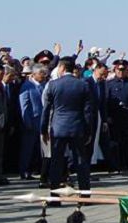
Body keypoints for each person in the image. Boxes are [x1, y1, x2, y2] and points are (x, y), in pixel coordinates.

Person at [41, 57, 95, 197]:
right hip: (77, 127)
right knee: (81, 161)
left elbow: (46, 109)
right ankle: (84, 194)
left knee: (56, 162)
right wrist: (89, 131)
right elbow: (88, 111)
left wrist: (43, 129)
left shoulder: (53, 85)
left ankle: (54, 195)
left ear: (62, 68)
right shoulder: (83, 85)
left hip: (58, 127)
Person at [18, 64, 47, 182]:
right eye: (41, 74)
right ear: (34, 74)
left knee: (39, 149)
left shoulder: (45, 86)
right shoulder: (27, 86)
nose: (43, 76)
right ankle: (24, 171)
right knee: (28, 148)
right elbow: (24, 105)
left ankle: (36, 170)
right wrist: (27, 122)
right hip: (32, 121)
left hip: (43, 121)